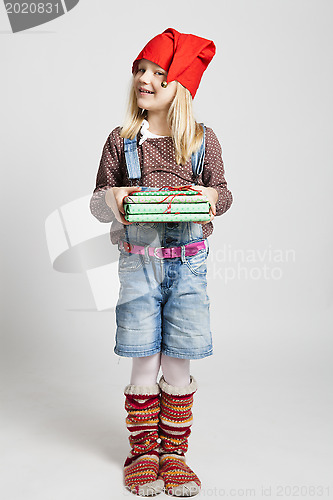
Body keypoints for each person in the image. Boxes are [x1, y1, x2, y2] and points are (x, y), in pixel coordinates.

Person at [90, 28, 233, 497]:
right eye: (140, 70)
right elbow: (95, 204)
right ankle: (142, 454)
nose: (144, 80)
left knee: (179, 359)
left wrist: (211, 196)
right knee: (143, 357)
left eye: (158, 73)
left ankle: (174, 455)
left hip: (189, 268)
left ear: (182, 87)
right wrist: (114, 197)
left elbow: (225, 196)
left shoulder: (201, 141)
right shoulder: (121, 140)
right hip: (139, 266)